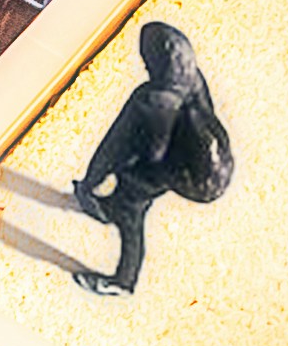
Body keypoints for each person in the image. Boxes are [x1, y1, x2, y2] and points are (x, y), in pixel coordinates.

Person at [69, 21, 232, 296]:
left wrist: (91, 182)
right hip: (210, 165)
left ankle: (124, 281)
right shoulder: (193, 77)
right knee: (134, 189)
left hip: (182, 171)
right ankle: (111, 207)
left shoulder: (151, 100)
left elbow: (117, 147)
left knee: (130, 206)